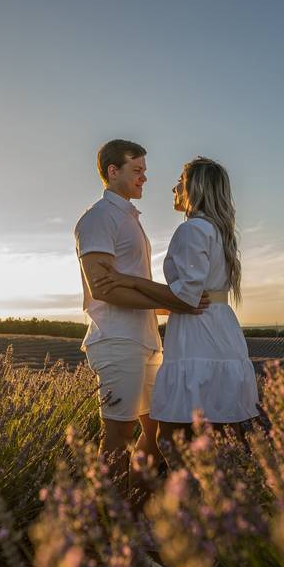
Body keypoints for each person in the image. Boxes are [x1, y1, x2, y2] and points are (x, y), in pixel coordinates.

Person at [93, 156, 259, 464]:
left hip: (198, 334)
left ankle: (189, 501)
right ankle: (226, 498)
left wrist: (126, 279)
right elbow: (194, 296)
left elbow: (186, 298)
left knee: (170, 437)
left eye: (180, 182)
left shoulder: (193, 229)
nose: (174, 188)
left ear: (194, 188)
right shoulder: (218, 230)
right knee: (221, 430)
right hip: (220, 329)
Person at [74, 140, 209, 499]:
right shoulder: (99, 218)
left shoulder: (129, 219)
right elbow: (102, 286)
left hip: (146, 341)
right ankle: (112, 531)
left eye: (145, 171)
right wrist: (175, 298)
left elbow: (139, 292)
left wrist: (188, 305)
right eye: (137, 170)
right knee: (117, 437)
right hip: (117, 339)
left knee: (155, 433)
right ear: (112, 171)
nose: (145, 178)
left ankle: (136, 514)